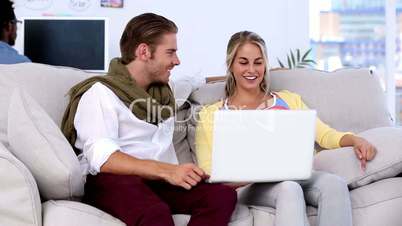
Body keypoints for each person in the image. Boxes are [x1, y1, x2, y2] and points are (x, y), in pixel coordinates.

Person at [61, 13, 237, 226]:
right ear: (144, 51)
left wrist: (263, 72)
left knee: (221, 196)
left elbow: (197, 80)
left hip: (157, 180)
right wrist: (169, 171)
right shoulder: (101, 93)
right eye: (170, 52)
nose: (177, 61)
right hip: (111, 181)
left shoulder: (164, 91)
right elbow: (104, 159)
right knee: (155, 213)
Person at [195, 31, 377, 226]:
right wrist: (254, 174)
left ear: (265, 65)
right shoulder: (211, 114)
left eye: (258, 62)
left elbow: (325, 135)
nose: (251, 69)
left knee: (334, 184)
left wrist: (356, 140)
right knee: (289, 189)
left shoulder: (288, 100)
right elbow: (208, 171)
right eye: (243, 62)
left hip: (294, 176)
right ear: (231, 65)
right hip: (249, 186)